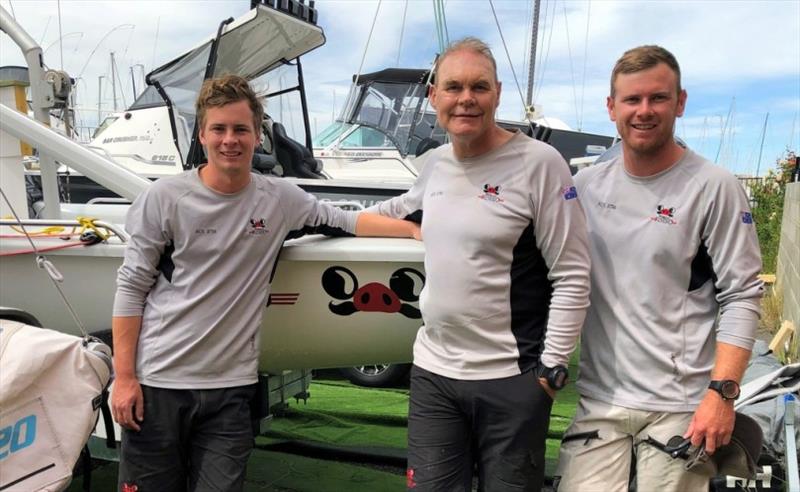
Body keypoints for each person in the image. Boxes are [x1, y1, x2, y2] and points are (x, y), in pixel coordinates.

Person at [110, 74, 420, 492]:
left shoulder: (279, 199)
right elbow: (131, 288)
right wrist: (125, 377)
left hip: (230, 390)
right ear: (202, 135)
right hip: (159, 383)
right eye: (218, 129)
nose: (229, 140)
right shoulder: (164, 198)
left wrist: (411, 232)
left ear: (259, 136)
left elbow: (344, 220)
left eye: (241, 129)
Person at [370, 37, 592, 491]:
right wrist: (311, 216)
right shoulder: (435, 163)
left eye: (479, 87)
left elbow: (571, 272)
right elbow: (396, 211)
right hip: (434, 374)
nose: (465, 99)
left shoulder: (540, 164)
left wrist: (551, 370)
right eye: (453, 87)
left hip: (512, 378)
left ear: (497, 93)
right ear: (434, 96)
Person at [554, 45, 764, 491]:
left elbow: (742, 296)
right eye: (632, 100)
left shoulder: (713, 188)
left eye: (658, 98)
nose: (644, 111)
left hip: (682, 406)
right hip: (599, 400)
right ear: (612, 108)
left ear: (680, 102)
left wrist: (721, 395)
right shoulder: (585, 187)